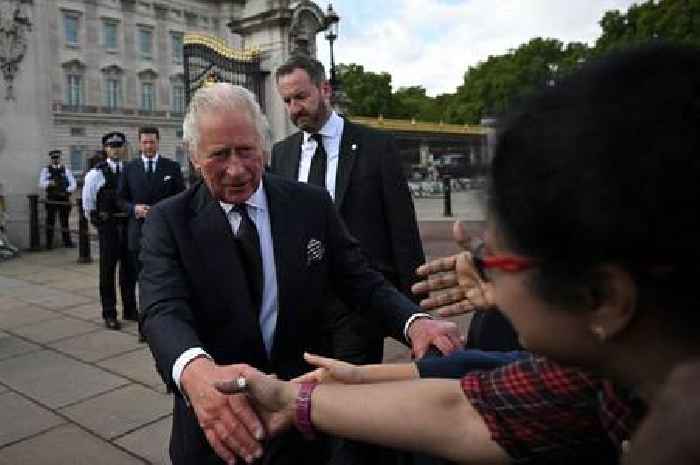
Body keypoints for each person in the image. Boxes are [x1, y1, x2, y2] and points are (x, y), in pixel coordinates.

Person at [225, 43, 700, 464]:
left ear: (606, 299)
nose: (481, 271)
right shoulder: (604, 376)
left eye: (495, 256)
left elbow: (465, 410)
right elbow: (467, 404)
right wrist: (309, 395)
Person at [138, 82, 462, 465]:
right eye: (219, 155)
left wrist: (414, 321)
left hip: (301, 419)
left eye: (246, 151)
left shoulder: (309, 204)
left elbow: (360, 279)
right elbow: (162, 309)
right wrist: (195, 371)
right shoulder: (168, 221)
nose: (236, 168)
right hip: (219, 423)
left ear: (263, 145)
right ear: (194, 156)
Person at [271, 55, 425, 365]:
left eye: (301, 96)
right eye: (287, 101)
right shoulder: (282, 153)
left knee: (356, 401)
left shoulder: (376, 145)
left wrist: (414, 315)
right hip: (304, 306)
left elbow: (402, 229)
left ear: (324, 89)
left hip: (359, 302)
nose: (294, 108)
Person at [117, 126, 185, 340]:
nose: (148, 146)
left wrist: (163, 210)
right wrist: (133, 209)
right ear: (139, 143)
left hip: (165, 235)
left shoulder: (171, 167)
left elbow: (181, 198)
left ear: (158, 142)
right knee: (142, 283)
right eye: (145, 142)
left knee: (167, 282)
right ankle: (145, 328)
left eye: (152, 142)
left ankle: (170, 325)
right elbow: (119, 199)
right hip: (138, 235)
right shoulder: (129, 169)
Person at [82, 132, 136, 331]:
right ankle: (109, 313)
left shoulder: (129, 170)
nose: (115, 149)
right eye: (111, 146)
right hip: (109, 227)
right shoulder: (96, 174)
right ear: (105, 148)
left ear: (123, 148)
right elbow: (88, 205)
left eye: (119, 145)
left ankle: (130, 309)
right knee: (107, 272)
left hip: (127, 225)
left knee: (129, 270)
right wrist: (100, 224)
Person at [38, 150, 76, 248]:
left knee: (65, 221)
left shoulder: (66, 170)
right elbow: (41, 183)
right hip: (52, 198)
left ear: (60, 158)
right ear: (51, 159)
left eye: (57, 158)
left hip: (63, 198)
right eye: (53, 158)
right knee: (50, 221)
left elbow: (73, 183)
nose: (55, 160)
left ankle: (67, 242)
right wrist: (49, 183)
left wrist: (67, 190)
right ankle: (49, 244)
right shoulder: (46, 170)